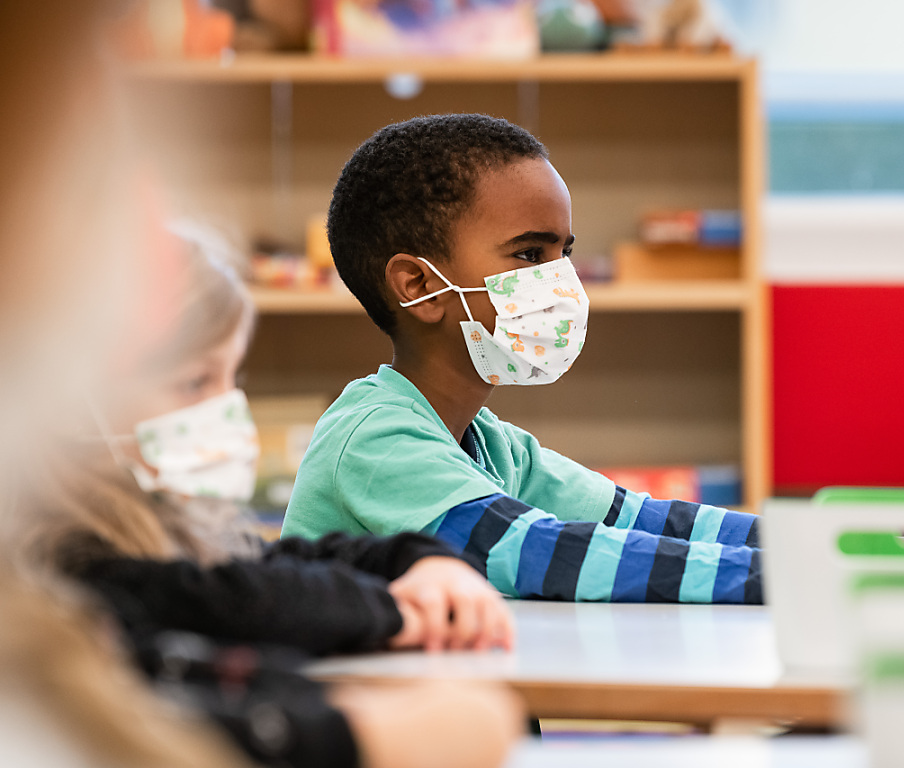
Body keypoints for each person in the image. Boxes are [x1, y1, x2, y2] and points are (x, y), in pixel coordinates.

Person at [9, 222, 522, 768]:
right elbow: (233, 598)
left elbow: (270, 561)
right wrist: (396, 612)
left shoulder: (157, 527)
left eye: (232, 379)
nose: (226, 408)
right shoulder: (62, 562)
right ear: (63, 405)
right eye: (194, 382)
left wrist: (414, 561)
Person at [282, 113, 763, 604]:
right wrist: (781, 576)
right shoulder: (373, 440)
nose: (562, 283)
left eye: (564, 253)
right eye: (531, 254)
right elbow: (537, 554)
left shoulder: (494, 446)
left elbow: (641, 520)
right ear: (420, 286)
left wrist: (789, 544)